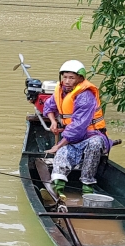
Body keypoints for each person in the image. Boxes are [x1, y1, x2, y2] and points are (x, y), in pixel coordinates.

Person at [42, 59, 110, 197]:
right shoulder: (61, 90)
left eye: (71, 78)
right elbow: (49, 106)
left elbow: (77, 127)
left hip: (92, 135)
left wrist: (58, 145)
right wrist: (53, 121)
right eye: (65, 77)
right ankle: (58, 189)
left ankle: (87, 186)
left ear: (80, 78)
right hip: (73, 139)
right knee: (61, 155)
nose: (67, 81)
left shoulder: (85, 95)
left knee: (94, 145)